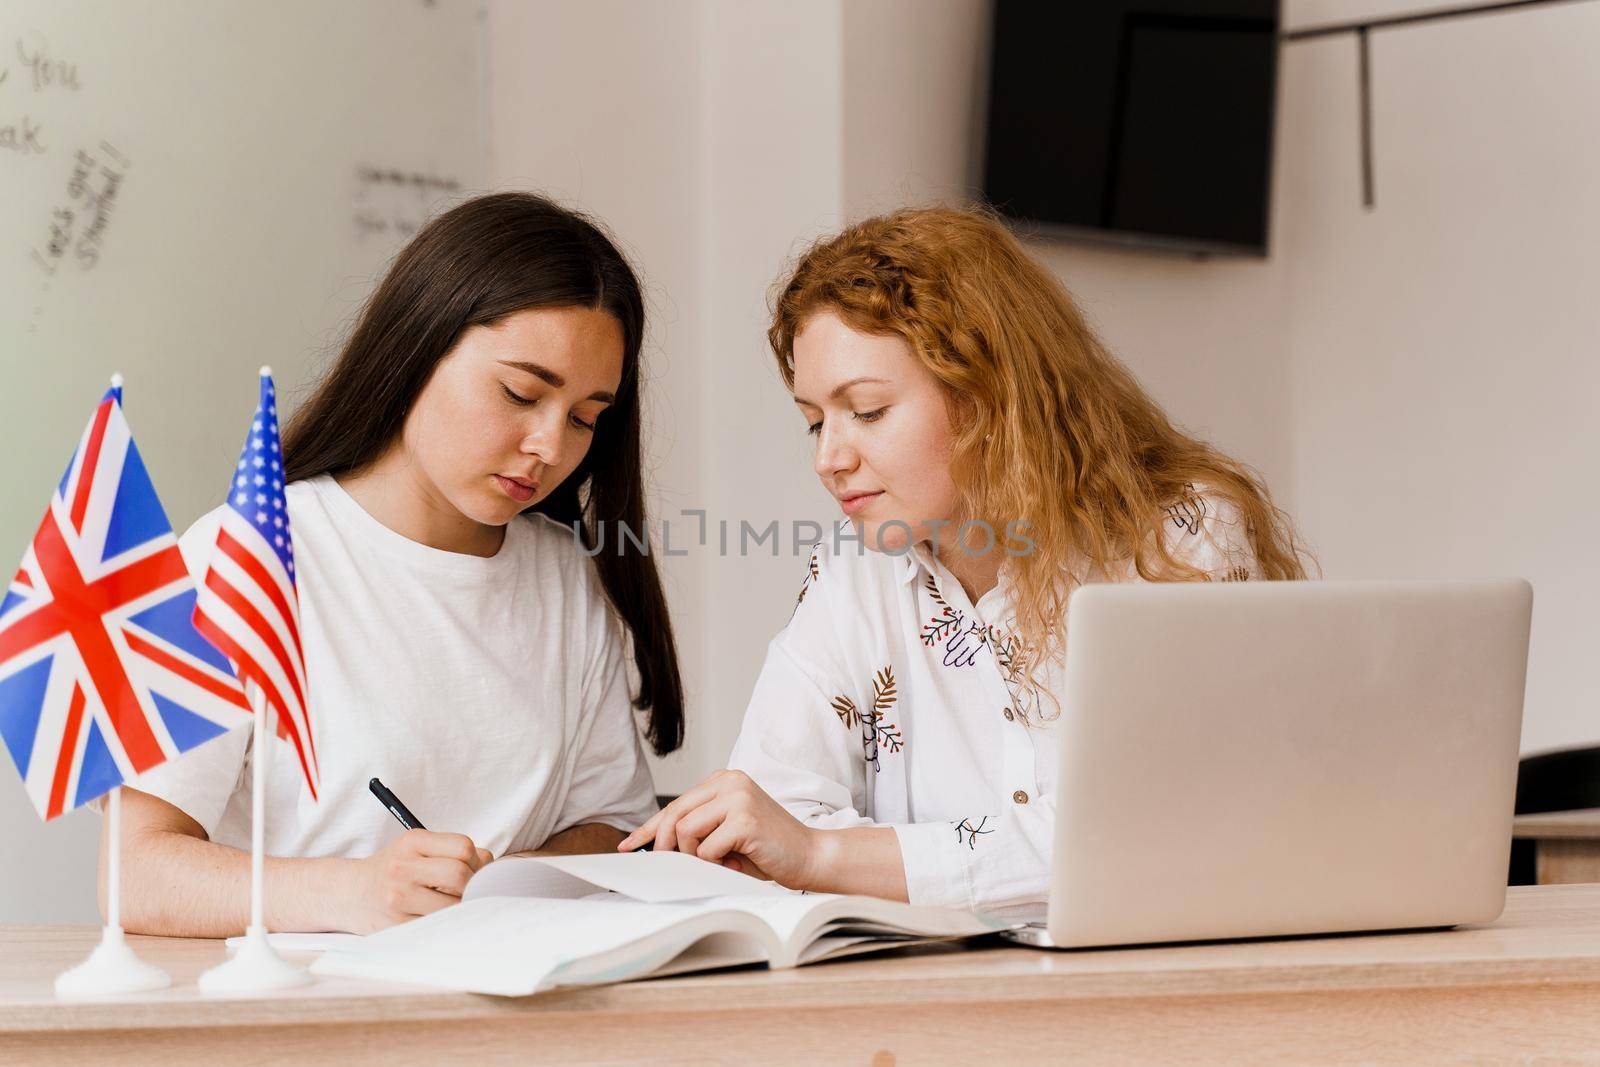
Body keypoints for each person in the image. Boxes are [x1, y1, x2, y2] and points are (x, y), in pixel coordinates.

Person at [621, 207, 1309, 914]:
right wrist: (811, 845)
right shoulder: (854, 566)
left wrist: (829, 855)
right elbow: (778, 806)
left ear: (987, 394)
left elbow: (1145, 831)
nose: (829, 458)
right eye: (814, 421)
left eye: (867, 411)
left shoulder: (1181, 538)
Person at [111, 193, 682, 936]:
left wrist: (494, 889)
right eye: (521, 392)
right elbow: (134, 871)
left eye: (584, 417)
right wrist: (353, 892)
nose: (550, 446)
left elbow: (611, 827)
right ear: (417, 348)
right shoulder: (243, 555)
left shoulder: (564, 576)